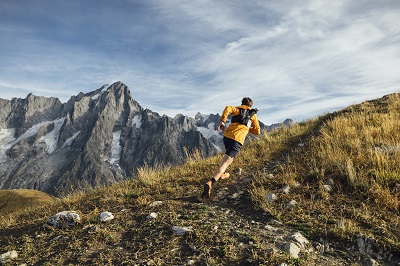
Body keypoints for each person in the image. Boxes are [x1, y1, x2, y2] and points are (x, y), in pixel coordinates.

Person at [200, 97, 261, 200]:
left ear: (242, 104)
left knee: (227, 159)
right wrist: (247, 128)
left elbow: (228, 108)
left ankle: (222, 174)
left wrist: (223, 121)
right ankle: (211, 182)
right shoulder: (253, 116)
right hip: (236, 140)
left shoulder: (238, 110)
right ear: (250, 106)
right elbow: (257, 132)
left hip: (227, 137)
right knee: (225, 163)